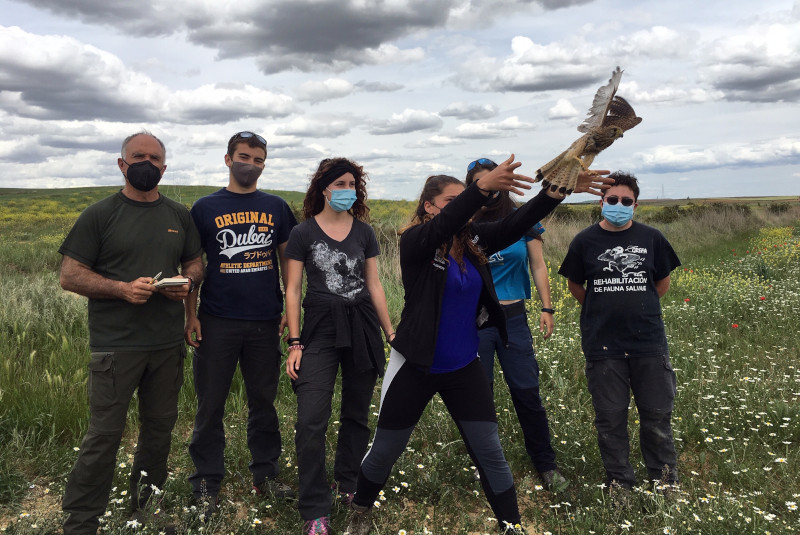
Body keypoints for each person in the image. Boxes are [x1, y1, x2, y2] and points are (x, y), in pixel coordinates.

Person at [345, 156, 611, 535]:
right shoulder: (417, 243)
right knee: (387, 448)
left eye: (464, 198)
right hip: (416, 365)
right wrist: (481, 188)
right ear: (429, 206)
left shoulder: (473, 242)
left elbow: (519, 222)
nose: (461, 206)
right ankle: (360, 510)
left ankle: (511, 526)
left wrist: (557, 190)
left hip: (463, 366)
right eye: (451, 200)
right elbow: (447, 223)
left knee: (490, 451)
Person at [59, 131, 203, 534]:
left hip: (166, 345)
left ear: (164, 167)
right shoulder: (100, 215)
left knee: (159, 432)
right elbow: (69, 276)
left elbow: (195, 263)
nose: (147, 163)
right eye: (138, 156)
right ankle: (82, 521)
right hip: (115, 347)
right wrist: (121, 289)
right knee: (104, 435)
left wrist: (187, 284)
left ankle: (146, 510)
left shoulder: (178, 215)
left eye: (154, 157)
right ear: (121, 165)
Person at [184, 131, 298, 515]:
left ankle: (265, 477)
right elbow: (192, 267)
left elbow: (289, 262)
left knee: (263, 403)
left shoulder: (277, 207)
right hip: (216, 320)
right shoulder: (204, 207)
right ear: (228, 158)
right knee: (210, 404)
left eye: (259, 158)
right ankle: (205, 484)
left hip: (266, 321)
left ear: (265, 164)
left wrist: (289, 309)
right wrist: (191, 315)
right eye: (244, 156)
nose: (251, 163)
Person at [284, 158, 394, 535]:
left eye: (353, 183)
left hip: (362, 325)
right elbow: (294, 290)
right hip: (319, 328)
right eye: (340, 183)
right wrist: (295, 341)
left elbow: (375, 285)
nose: (348, 189)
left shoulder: (364, 232)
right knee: (310, 420)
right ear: (324, 188)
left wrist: (391, 333)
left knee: (356, 413)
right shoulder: (302, 233)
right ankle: (315, 506)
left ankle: (347, 482)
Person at [557, 171, 680, 499]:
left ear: (635, 205)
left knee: (656, 416)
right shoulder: (585, 241)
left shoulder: (652, 238)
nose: (619, 205)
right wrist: (601, 306)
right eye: (612, 200)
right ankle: (620, 483)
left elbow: (662, 283)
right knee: (610, 419)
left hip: (648, 343)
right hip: (603, 345)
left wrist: (635, 305)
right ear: (601, 202)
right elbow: (575, 284)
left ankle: (665, 482)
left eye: (626, 201)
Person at [465, 158, 568, 493]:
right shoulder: (465, 224)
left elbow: (538, 265)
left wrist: (547, 306)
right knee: (480, 396)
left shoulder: (523, 219)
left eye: (494, 181)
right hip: (475, 321)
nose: (491, 189)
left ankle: (546, 464)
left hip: (513, 318)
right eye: (482, 183)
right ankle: (485, 467)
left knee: (527, 392)